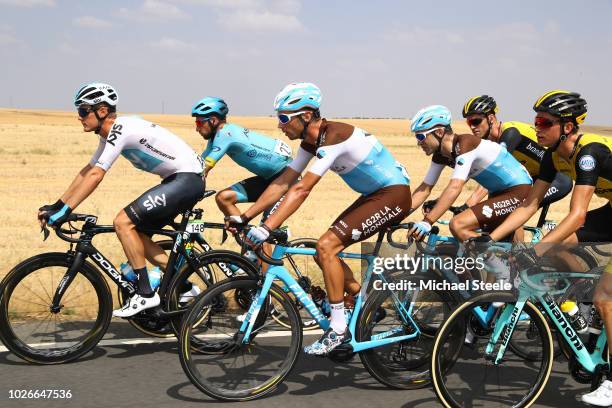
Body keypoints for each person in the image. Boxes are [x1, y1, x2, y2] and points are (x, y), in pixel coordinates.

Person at [233, 82, 411, 355]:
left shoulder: (334, 136)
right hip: (374, 195)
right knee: (322, 253)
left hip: (392, 195)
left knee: (327, 246)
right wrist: (246, 216)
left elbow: (303, 188)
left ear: (305, 116)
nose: (280, 125)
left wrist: (268, 227)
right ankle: (364, 306)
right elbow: (284, 181)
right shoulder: (310, 141)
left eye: (283, 118)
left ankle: (337, 329)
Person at [483, 91, 612, 406]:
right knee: (556, 240)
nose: (537, 127)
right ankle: (586, 312)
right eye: (536, 120)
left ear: (567, 127)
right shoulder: (553, 156)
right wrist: (492, 240)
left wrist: (535, 250)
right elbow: (529, 205)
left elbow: (578, 214)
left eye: (545, 121)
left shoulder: (588, 153)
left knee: (606, 296)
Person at [38, 82, 205, 317]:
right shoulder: (109, 134)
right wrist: (58, 205)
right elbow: (88, 170)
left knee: (123, 222)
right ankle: (186, 287)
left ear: (102, 111)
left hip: (186, 179)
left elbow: (97, 175)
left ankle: (146, 294)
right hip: (179, 180)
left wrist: (66, 210)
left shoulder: (120, 128)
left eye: (83, 110)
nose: (79, 117)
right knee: (137, 233)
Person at [408, 105, 533, 242]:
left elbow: (455, 186)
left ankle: (499, 262)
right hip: (497, 193)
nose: (419, 143)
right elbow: (424, 189)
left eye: (421, 136)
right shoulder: (440, 155)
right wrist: (397, 216)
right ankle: (512, 260)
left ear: (439, 132)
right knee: (502, 242)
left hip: (519, 190)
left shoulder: (465, 144)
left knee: (458, 225)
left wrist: (428, 221)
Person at [192, 96, 293, 243]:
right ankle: (247, 247)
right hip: (269, 179)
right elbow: (198, 164)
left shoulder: (226, 133)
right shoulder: (216, 137)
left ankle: (262, 244)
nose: (196, 128)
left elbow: (205, 166)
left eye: (199, 122)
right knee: (224, 198)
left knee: (261, 235)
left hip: (287, 180)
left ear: (213, 120)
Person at [461, 95, 572, 212]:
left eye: (476, 121)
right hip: (535, 179)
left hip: (558, 180)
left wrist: (469, 204)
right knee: (494, 209)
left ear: (491, 118)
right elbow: (471, 170)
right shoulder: (489, 143)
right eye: (469, 123)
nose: (472, 127)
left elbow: (493, 171)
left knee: (512, 209)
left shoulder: (510, 133)